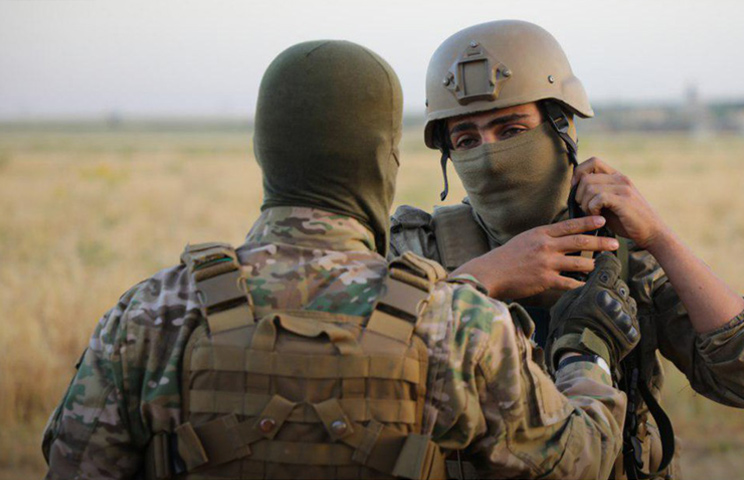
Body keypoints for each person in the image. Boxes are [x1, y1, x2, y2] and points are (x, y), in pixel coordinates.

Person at [43, 40, 639, 480]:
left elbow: (74, 467)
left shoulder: (151, 313)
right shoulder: (456, 323)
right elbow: (578, 461)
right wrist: (586, 354)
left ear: (265, 154)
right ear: (385, 161)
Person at [390, 20, 744, 479]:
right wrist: (482, 279)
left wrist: (658, 236)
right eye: (466, 140)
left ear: (562, 127)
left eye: (511, 129)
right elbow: (366, 371)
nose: (489, 154)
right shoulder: (417, 252)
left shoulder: (614, 251)